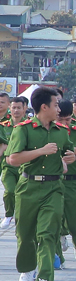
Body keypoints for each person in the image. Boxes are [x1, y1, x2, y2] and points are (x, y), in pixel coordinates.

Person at [9, 87, 74, 281]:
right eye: (56, 105)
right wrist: (40, 151)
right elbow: (13, 159)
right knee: (25, 234)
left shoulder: (62, 131)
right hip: (28, 187)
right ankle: (28, 268)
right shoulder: (24, 129)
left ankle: (44, 280)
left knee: (48, 233)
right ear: (44, 107)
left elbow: (67, 152)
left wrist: (69, 158)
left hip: (54, 188)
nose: (59, 108)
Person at [56, 101, 76, 264]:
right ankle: (57, 257)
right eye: (60, 119)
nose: (63, 123)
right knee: (54, 218)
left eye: (67, 120)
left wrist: (70, 150)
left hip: (73, 181)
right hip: (53, 181)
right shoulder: (49, 132)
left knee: (75, 219)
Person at [0, 96, 29, 230]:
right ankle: (9, 214)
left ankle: (21, 217)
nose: (16, 110)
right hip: (8, 165)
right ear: (10, 109)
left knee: (22, 194)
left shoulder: (28, 126)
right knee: (10, 190)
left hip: (23, 165)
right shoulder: (3, 126)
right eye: (14, 107)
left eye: (19, 108)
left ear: (25, 109)